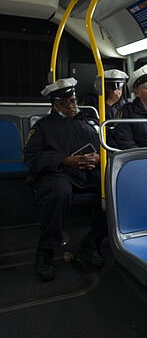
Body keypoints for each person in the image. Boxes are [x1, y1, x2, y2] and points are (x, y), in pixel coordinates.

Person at [24, 78, 107, 282]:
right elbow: (32, 157)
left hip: (88, 171)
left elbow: (104, 147)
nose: (71, 106)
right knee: (58, 193)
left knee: (114, 190)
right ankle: (46, 251)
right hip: (59, 173)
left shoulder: (89, 123)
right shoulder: (42, 127)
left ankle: (91, 242)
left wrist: (97, 158)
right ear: (55, 104)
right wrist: (64, 160)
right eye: (65, 103)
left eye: (73, 101)